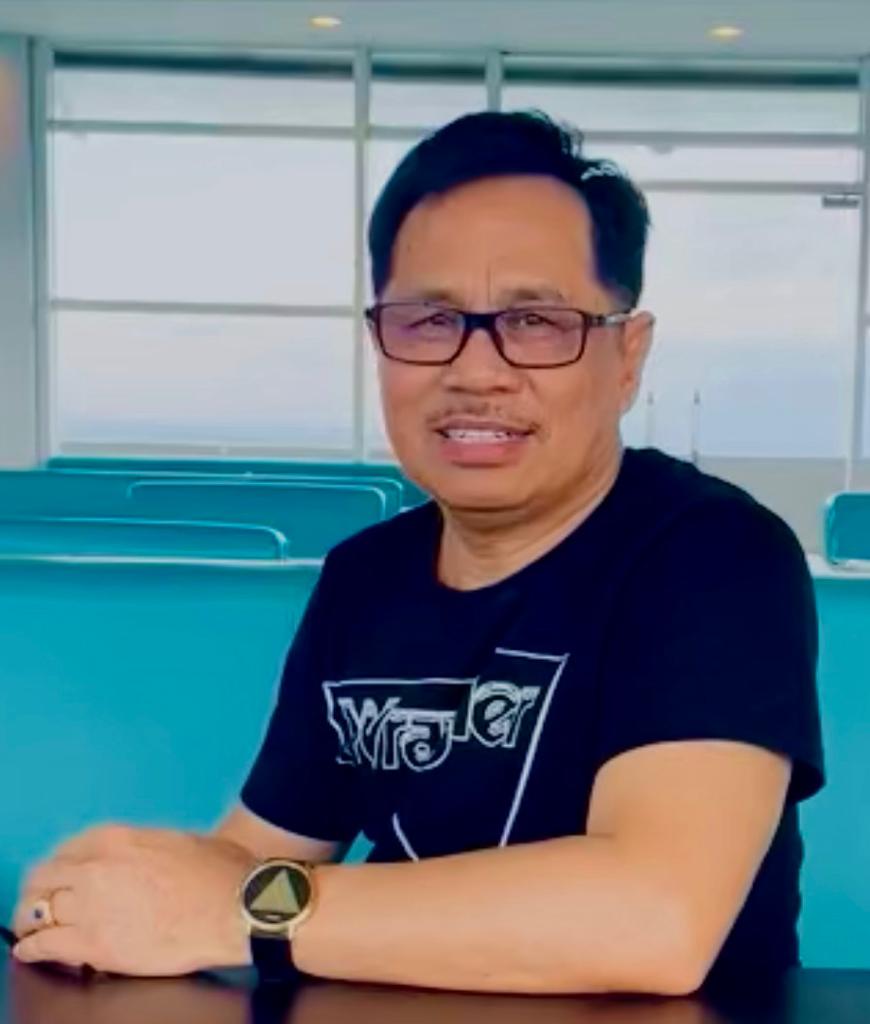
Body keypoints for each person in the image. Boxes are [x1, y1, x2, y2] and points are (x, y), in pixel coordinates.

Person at [12, 111, 823, 996]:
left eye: (536, 320)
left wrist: (239, 911)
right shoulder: (366, 576)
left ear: (627, 356)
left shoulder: (713, 557)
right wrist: (113, 897)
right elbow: (252, 859)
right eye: (428, 319)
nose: (475, 371)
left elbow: (652, 921)